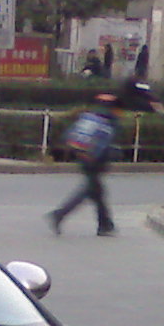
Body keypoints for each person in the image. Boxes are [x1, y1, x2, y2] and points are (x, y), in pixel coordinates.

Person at [46, 93, 121, 237]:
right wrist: (94, 156)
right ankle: (59, 215)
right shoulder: (109, 120)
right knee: (89, 191)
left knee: (97, 192)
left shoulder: (88, 117)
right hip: (94, 160)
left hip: (81, 155)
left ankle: (105, 224)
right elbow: (103, 140)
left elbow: (69, 135)